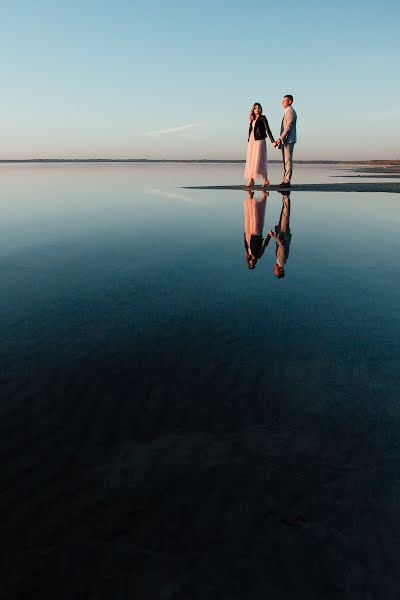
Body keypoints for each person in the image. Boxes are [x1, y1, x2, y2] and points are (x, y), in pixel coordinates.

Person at [245, 102, 276, 189]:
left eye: (259, 108)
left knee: (260, 160)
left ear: (261, 109)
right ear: (253, 110)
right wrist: (248, 140)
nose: (257, 109)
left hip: (260, 140)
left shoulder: (263, 118)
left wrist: (272, 141)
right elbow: (250, 130)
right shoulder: (252, 119)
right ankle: (251, 179)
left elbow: (268, 129)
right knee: (251, 160)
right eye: (255, 108)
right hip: (252, 141)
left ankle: (265, 179)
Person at [243, 190, 271, 269]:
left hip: (249, 233)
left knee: (249, 216)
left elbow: (246, 243)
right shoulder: (258, 255)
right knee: (257, 217)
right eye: (254, 264)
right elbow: (264, 245)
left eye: (251, 264)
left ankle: (250, 197)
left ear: (249, 262)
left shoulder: (248, 253)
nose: (253, 263)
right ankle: (263, 197)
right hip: (257, 234)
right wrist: (269, 235)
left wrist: (245, 234)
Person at [274, 95, 297, 188]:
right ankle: (285, 180)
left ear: (290, 101)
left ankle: (287, 181)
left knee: (288, 160)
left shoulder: (291, 112)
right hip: (285, 140)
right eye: (282, 100)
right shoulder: (286, 112)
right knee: (285, 161)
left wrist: (280, 138)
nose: (282, 102)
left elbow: (288, 127)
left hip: (289, 140)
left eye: (284, 100)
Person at [268, 191, 292, 278]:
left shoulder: (281, 262)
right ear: (280, 270)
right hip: (283, 234)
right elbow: (281, 246)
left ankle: (285, 198)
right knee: (285, 216)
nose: (274, 269)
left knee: (283, 216)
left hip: (283, 234)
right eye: (276, 271)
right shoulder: (281, 261)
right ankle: (286, 197)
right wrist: (273, 236)